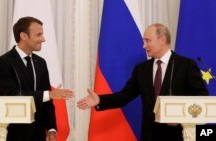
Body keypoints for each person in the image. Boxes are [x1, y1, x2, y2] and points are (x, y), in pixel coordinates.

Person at [77, 23, 208, 141]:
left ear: (162, 40)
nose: (144, 46)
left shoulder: (186, 65)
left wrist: (180, 117)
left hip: (177, 135)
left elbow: (202, 98)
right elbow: (124, 96)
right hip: (149, 136)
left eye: (147, 41)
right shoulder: (141, 69)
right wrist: (99, 100)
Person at [0, 16, 74, 141]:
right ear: (24, 36)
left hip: (39, 134)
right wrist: (49, 94)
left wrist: (51, 129)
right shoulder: (3, 62)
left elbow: (47, 101)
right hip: (14, 134)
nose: (43, 39)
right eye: (38, 35)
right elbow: (10, 94)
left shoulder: (40, 62)